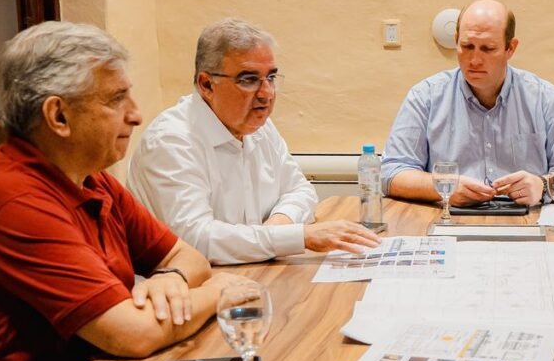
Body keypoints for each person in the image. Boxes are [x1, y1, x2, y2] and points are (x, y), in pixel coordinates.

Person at [0, 22, 245, 361]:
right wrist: (221, 292)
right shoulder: (14, 200)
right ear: (59, 116)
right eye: (116, 99)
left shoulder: (89, 175)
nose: (137, 114)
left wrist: (171, 279)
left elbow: (186, 256)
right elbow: (134, 333)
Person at [127, 18, 379, 265]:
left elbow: (300, 190)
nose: (266, 93)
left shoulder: (259, 127)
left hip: (251, 274)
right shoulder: (172, 141)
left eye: (270, 77)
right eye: (248, 80)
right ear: (206, 84)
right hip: (182, 292)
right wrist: (297, 237)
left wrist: (277, 228)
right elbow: (196, 240)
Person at [381, 0, 554, 206]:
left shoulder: (545, 98)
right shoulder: (426, 96)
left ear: (510, 48)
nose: (474, 60)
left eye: (487, 49)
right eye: (466, 46)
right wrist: (443, 186)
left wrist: (543, 186)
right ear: (456, 39)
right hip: (449, 222)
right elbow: (392, 173)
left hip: (527, 222)